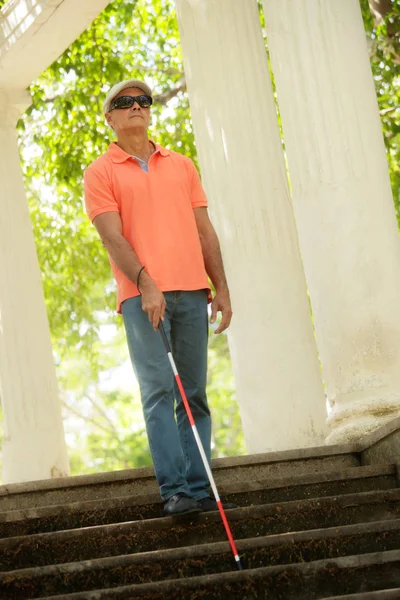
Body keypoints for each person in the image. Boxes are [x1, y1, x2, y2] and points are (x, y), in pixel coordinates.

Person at [84, 78, 236, 516]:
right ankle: (175, 491)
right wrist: (146, 283)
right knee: (157, 392)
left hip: (192, 291)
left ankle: (200, 485)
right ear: (110, 117)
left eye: (143, 100)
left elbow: (204, 230)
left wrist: (220, 286)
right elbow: (112, 237)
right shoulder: (100, 172)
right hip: (141, 297)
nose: (137, 106)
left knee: (195, 393)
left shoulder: (182, 165)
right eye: (124, 102)